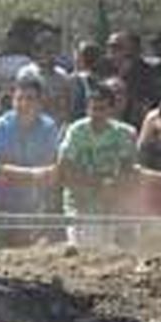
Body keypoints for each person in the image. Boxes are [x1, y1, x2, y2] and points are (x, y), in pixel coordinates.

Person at [0, 71, 62, 244]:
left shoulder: (49, 127)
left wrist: (27, 174)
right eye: (19, 98)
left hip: (30, 203)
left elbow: (50, 169)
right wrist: (32, 174)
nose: (23, 103)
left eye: (30, 98)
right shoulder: (2, 125)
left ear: (40, 102)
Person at [56, 79, 140, 249]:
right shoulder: (76, 131)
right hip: (80, 202)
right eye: (92, 108)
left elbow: (128, 169)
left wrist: (116, 186)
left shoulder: (125, 133)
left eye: (101, 109)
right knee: (83, 250)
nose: (96, 114)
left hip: (112, 202)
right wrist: (97, 183)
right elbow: (64, 167)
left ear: (111, 109)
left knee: (113, 252)